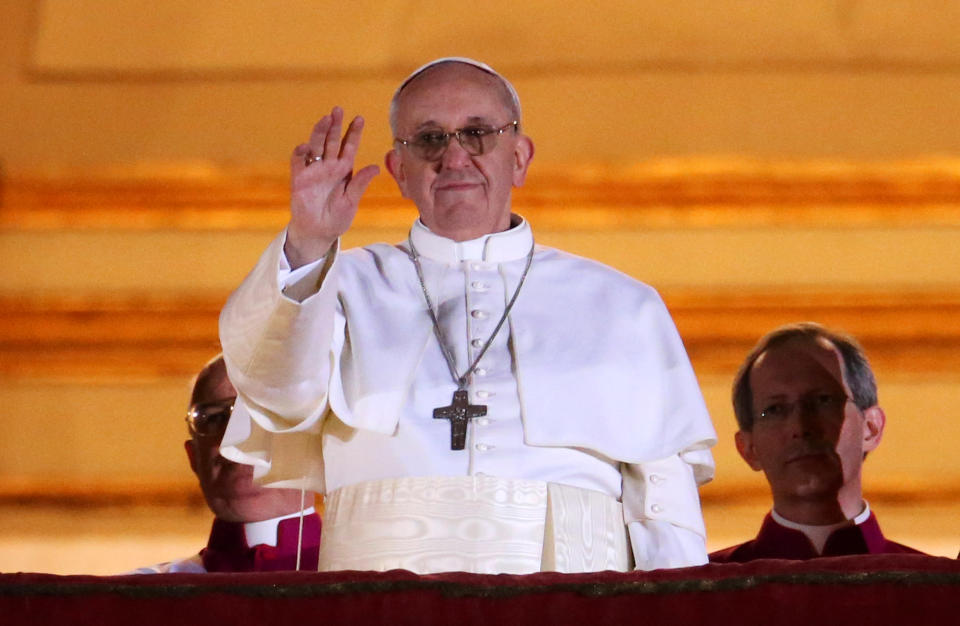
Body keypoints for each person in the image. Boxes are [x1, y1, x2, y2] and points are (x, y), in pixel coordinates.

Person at [218, 57, 717, 574]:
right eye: (429, 139)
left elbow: (663, 500)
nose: (454, 158)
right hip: (380, 597)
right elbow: (276, 395)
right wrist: (308, 239)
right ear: (399, 171)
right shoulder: (335, 285)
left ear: (519, 158)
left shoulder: (621, 305)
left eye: (478, 134)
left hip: (572, 592)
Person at [710, 323, 924, 562]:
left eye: (823, 400)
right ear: (748, 448)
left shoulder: (935, 587)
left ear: (870, 428)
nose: (800, 427)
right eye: (775, 409)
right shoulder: (704, 590)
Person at [134, 355, 320, 573]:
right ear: (193, 457)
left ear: (317, 447)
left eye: (262, 414)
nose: (236, 437)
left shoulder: (365, 588)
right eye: (213, 418)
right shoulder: (140, 598)